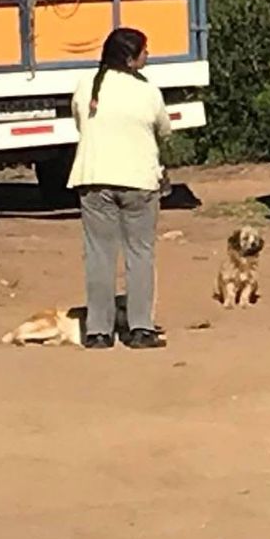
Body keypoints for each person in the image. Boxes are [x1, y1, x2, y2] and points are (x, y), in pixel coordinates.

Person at [68, 27, 172, 351]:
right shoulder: (148, 92)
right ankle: (141, 327)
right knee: (140, 254)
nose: (148, 55)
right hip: (139, 181)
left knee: (99, 254)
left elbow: (80, 122)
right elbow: (164, 130)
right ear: (130, 59)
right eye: (144, 51)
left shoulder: (87, 86)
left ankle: (99, 331)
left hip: (94, 178)